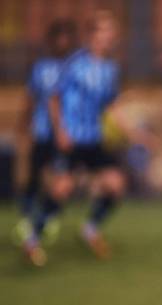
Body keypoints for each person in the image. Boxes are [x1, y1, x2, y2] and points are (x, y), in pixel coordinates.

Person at [23, 10, 126, 265]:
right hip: (72, 138)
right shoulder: (75, 62)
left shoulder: (110, 69)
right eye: (102, 31)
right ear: (91, 35)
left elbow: (110, 106)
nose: (108, 36)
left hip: (93, 140)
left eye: (110, 31)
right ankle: (33, 238)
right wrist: (60, 131)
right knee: (62, 188)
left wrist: (131, 132)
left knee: (115, 184)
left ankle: (90, 229)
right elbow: (53, 98)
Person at [13, 19, 78, 255]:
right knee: (34, 179)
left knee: (61, 180)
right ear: (52, 41)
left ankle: (45, 219)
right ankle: (29, 219)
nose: (63, 42)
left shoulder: (73, 67)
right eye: (58, 37)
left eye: (66, 37)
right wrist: (23, 124)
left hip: (63, 135)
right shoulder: (40, 67)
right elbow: (31, 98)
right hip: (41, 132)